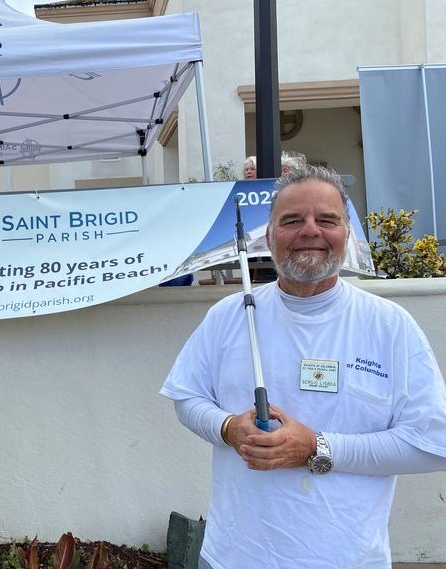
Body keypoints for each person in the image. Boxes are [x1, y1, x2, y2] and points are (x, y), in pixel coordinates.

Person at [160, 165, 446, 568]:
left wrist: (317, 447)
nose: (309, 230)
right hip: (233, 558)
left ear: (346, 232)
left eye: (326, 219)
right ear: (270, 235)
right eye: (292, 220)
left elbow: (433, 445)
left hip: (348, 559)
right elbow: (187, 397)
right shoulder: (230, 315)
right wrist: (227, 428)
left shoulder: (390, 326)